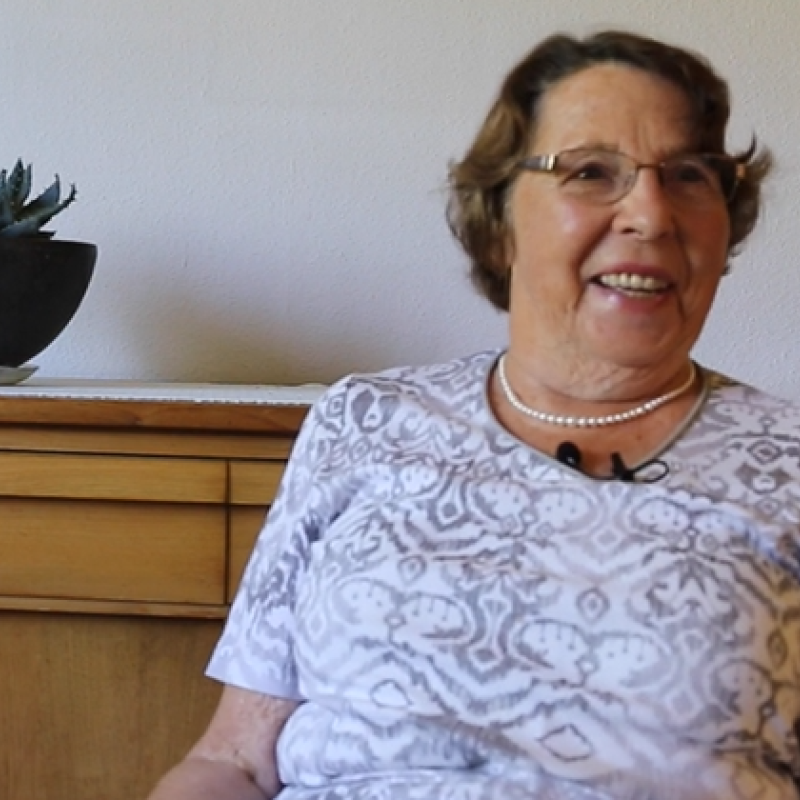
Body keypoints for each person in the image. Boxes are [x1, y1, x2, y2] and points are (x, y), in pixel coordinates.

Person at [146, 29, 800, 800]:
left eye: (690, 174)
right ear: (499, 223)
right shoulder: (363, 422)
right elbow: (235, 761)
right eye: (591, 172)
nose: (651, 215)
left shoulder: (786, 460)